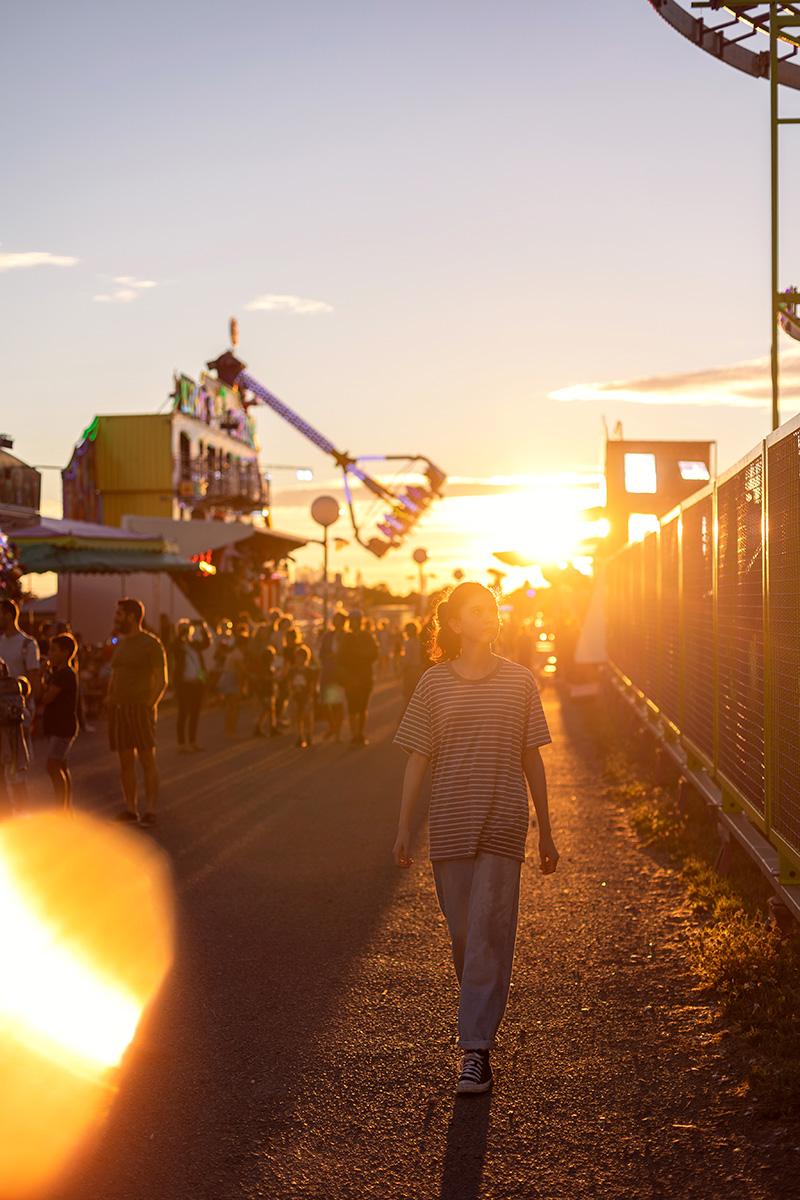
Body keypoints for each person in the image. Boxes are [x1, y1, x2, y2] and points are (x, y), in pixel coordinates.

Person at [392, 581, 558, 1096]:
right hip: (449, 823)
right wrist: (402, 826)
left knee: (488, 932)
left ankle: (475, 1051)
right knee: (463, 935)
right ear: (456, 624)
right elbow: (418, 755)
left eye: (493, 609)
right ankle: (479, 1021)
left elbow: (532, 755)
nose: (489, 616)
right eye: (477, 611)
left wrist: (546, 830)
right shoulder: (434, 684)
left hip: (504, 822)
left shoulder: (520, 681)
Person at [108, 598, 168, 828]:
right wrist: (110, 699)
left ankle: (150, 810)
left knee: (146, 760)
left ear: (131, 617)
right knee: (125, 761)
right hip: (119, 709)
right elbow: (115, 675)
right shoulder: (120, 643)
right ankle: (130, 809)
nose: (116, 618)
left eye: (119, 614)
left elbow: (161, 680)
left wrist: (147, 706)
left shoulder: (151, 644)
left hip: (139, 708)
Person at [41, 633, 79, 811]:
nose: (49, 654)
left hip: (61, 727)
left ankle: (60, 810)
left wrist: (41, 676)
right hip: (58, 726)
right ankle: (66, 808)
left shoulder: (65, 675)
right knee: (62, 766)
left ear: (65, 653)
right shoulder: (58, 674)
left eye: (53, 650)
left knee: (52, 767)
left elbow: (45, 698)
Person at [338, 610, 378, 745]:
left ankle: (360, 733)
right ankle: (354, 734)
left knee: (362, 708)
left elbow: (373, 654)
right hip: (350, 678)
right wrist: (358, 657)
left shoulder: (367, 636)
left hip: (365, 677)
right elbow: (342, 657)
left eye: (356, 620)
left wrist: (357, 655)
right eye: (352, 620)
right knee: (352, 708)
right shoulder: (346, 638)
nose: (354, 623)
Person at [170, 620, 208, 753]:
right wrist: (181, 634)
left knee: (195, 714)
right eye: (183, 629)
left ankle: (192, 742)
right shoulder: (179, 646)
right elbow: (173, 646)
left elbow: (206, 643)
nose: (186, 631)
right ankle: (182, 744)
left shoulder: (194, 645)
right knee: (183, 713)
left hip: (197, 683)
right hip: (184, 684)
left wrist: (203, 627)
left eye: (187, 629)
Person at [0, 598, 41, 699]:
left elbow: (32, 680)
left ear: (8, 616)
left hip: (19, 708)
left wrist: (25, 706)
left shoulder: (28, 644)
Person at [318, 611, 347, 741]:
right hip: (328, 672)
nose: (336, 621)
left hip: (340, 673)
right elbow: (322, 654)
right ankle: (332, 726)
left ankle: (337, 731)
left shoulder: (346, 636)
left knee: (338, 703)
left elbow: (347, 654)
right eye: (335, 619)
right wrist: (331, 656)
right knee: (327, 702)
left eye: (338, 619)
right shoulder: (328, 636)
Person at [287, 644, 318, 748]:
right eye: (298, 657)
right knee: (297, 717)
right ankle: (300, 736)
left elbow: (312, 684)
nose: (299, 659)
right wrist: (291, 691)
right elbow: (289, 682)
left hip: (306, 696)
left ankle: (309, 735)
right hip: (296, 696)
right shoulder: (292, 670)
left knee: (307, 716)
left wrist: (310, 694)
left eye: (301, 657)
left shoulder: (309, 671)